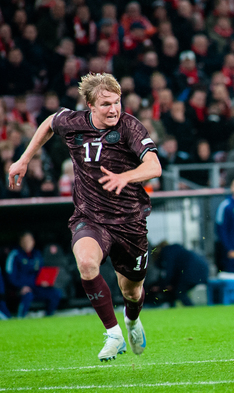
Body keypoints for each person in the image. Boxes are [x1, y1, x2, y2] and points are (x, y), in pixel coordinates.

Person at [8, 73, 162, 361]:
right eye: (106, 104)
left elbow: (154, 166)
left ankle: (131, 321)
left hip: (130, 222)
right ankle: (114, 334)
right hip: (90, 217)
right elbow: (49, 123)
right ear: (90, 105)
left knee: (132, 291)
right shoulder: (74, 121)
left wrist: (125, 177)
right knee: (87, 263)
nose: (114, 109)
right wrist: (25, 158)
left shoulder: (130, 126)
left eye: (117, 102)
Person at [5, 232, 62, 318]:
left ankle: (48, 318)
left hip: (36, 287)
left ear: (33, 242)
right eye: (25, 241)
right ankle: (20, 319)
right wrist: (19, 287)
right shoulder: (15, 255)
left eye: (29, 241)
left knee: (55, 293)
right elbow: (9, 275)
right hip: (20, 290)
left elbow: (41, 272)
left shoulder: (37, 254)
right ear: (20, 242)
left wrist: (45, 281)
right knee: (27, 295)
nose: (27, 243)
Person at [149, 243, 209, 307]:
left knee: (180, 292)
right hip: (201, 269)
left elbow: (169, 272)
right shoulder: (173, 250)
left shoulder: (167, 252)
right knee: (176, 291)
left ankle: (192, 309)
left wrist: (161, 286)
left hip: (192, 271)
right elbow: (175, 271)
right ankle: (173, 309)